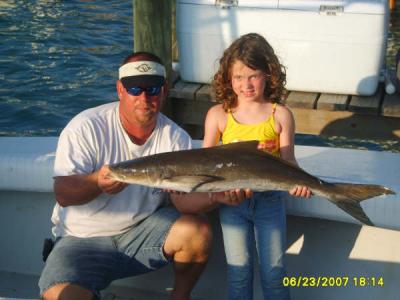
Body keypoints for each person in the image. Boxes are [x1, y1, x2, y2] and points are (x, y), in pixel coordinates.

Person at [38, 51, 251, 300]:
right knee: (59, 296)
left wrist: (217, 197)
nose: (143, 97)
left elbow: (182, 200)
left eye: (151, 89)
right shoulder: (85, 127)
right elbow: (63, 194)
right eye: (134, 89)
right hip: (81, 240)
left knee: (198, 231)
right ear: (120, 90)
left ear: (164, 90)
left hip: (143, 233)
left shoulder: (175, 137)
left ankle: (180, 297)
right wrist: (97, 182)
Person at [203, 33, 312, 300]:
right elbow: (203, 164)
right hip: (231, 204)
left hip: (270, 201)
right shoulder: (218, 115)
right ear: (228, 78)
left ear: (269, 74)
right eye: (238, 77)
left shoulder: (281, 115)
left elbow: (289, 162)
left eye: (253, 75)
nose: (246, 84)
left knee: (274, 273)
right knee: (238, 273)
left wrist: (302, 184)